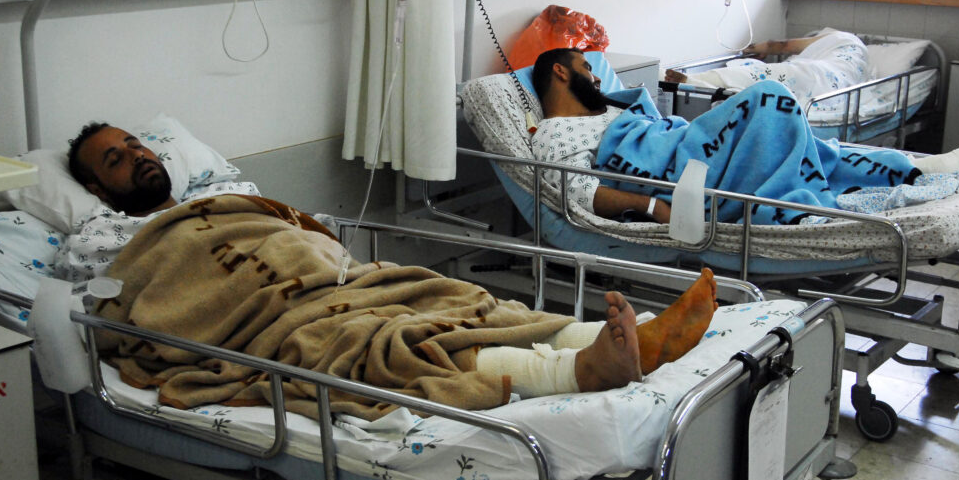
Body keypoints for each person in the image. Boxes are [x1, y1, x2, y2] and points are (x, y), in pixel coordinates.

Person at [62, 122, 720, 418]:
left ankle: (620, 339)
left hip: (341, 281)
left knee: (456, 300)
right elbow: (120, 312)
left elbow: (303, 236)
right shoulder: (104, 240)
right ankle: (576, 369)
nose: (136, 156)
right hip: (274, 318)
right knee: (381, 347)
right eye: (115, 161)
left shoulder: (230, 197)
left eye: (135, 143)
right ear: (97, 189)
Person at [532, 47, 959, 225]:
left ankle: (919, 169)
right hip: (681, 175)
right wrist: (658, 206)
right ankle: (913, 172)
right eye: (586, 68)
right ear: (560, 71)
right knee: (768, 99)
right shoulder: (554, 135)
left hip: (687, 149)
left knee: (797, 137)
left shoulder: (609, 109)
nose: (596, 76)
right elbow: (581, 192)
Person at [664, 30, 870, 105]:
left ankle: (699, 81)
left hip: (814, 70)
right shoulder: (859, 56)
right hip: (830, 80)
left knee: (762, 73)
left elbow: (783, 45)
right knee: (770, 83)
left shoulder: (839, 38)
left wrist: (754, 48)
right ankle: (700, 84)